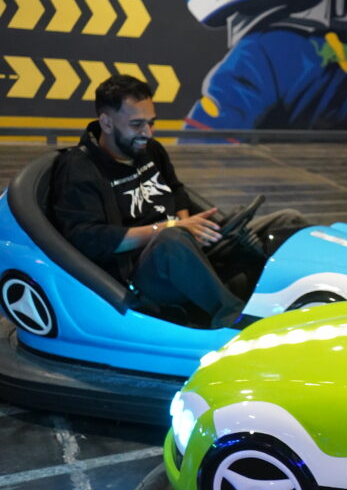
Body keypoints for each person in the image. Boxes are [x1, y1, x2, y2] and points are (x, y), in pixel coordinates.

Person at [50, 74, 305, 328]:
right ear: (105, 122)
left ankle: (304, 291)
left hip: (183, 249)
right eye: (136, 124)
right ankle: (235, 320)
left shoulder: (150, 150)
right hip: (142, 277)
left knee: (288, 219)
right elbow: (88, 239)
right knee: (171, 242)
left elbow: (177, 191)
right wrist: (172, 230)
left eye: (151, 123)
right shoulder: (79, 169)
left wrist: (189, 226)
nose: (147, 133)